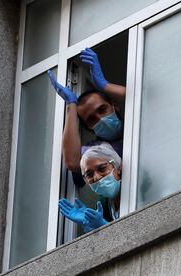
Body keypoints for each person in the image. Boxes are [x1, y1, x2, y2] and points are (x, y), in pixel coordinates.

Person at [47, 48, 126, 179]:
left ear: (115, 105)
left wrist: (104, 85)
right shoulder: (98, 149)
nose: (101, 119)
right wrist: (70, 105)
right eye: (91, 119)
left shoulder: (136, 118)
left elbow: (141, 98)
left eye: (102, 109)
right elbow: (72, 162)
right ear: (89, 127)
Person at [58, 143, 122, 232]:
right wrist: (92, 226)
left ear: (118, 167)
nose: (97, 177)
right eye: (89, 175)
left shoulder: (137, 189)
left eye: (102, 169)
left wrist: (103, 225)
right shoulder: (103, 205)